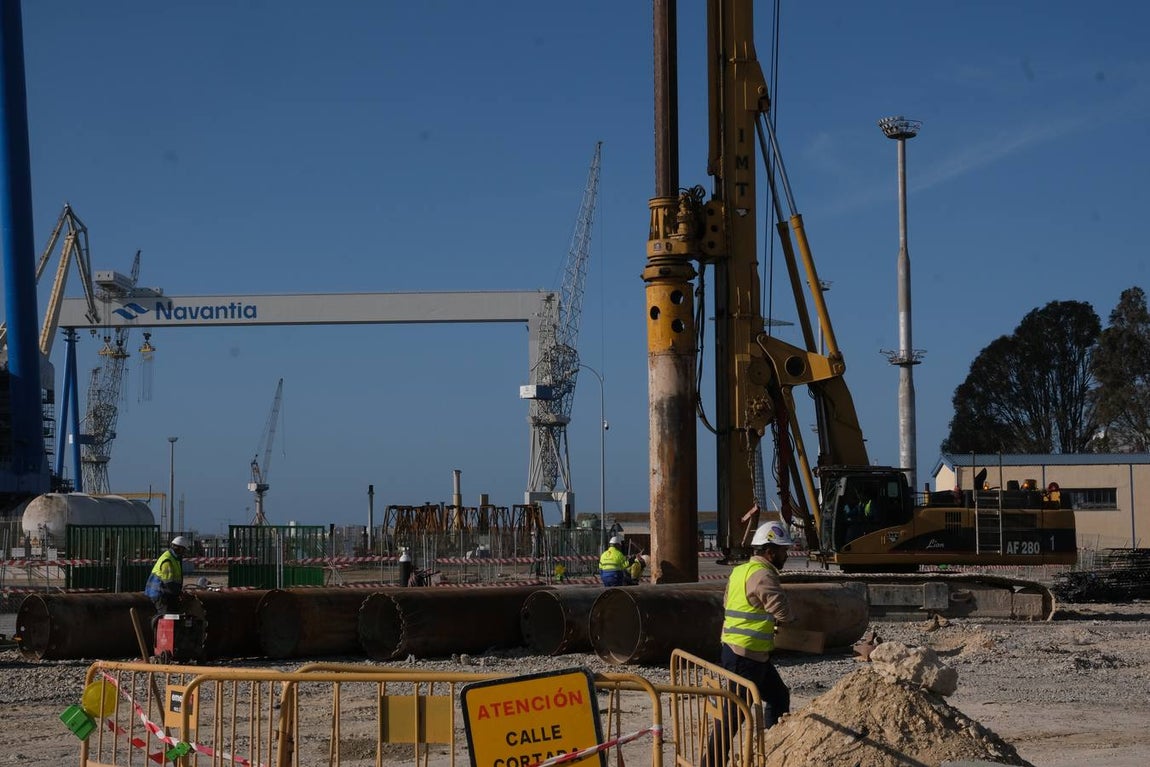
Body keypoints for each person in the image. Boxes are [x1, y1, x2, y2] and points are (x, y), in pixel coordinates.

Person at [720, 520, 795, 727]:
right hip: (745, 655)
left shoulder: (740, 571)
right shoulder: (764, 574)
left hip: (742, 651)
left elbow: (726, 602)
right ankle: (710, 760)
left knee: (778, 697)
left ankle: (771, 746)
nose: (786, 555)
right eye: (783, 551)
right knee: (734, 716)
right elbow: (782, 611)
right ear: (770, 552)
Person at [145, 535, 191, 620]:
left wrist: (179, 593)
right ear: (180, 549)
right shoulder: (167, 560)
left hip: (166, 593)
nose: (184, 553)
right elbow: (169, 583)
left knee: (174, 615)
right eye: (184, 550)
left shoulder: (175, 559)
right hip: (158, 593)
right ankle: (159, 632)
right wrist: (178, 593)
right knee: (165, 617)